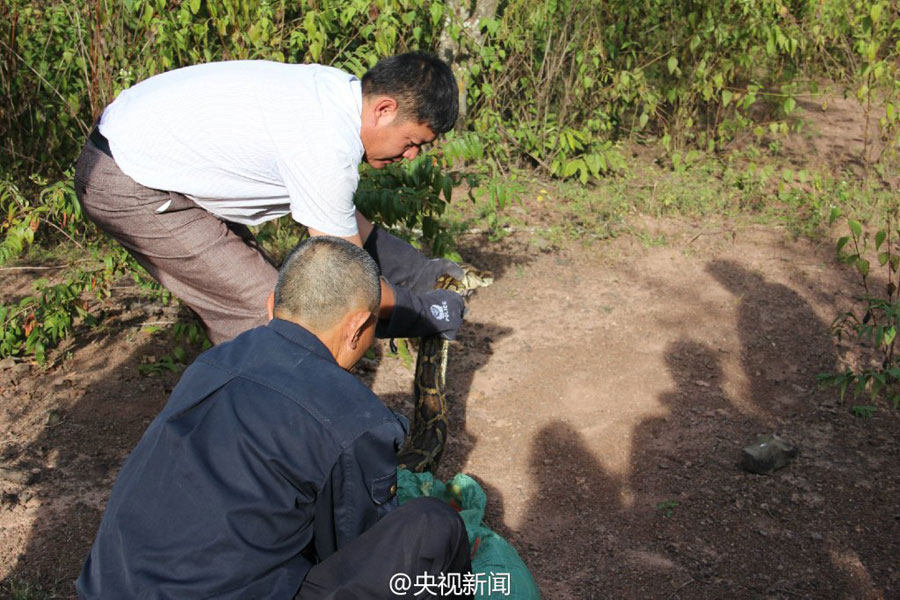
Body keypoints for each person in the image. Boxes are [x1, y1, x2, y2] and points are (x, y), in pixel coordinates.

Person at [76, 236, 472, 599]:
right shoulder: (355, 418)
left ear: (271, 307)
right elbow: (351, 547)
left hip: (108, 586)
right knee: (434, 526)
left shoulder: (211, 365)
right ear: (357, 327)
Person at [74, 52, 467, 345]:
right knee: (269, 318)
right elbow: (348, 280)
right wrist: (425, 312)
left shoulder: (337, 93)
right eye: (412, 141)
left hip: (147, 157)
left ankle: (252, 405)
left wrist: (415, 271)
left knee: (268, 303)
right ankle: (254, 426)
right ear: (384, 109)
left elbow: (337, 216)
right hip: (129, 179)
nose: (411, 155)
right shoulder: (325, 143)